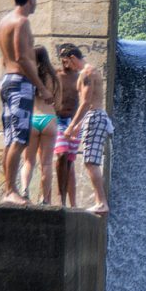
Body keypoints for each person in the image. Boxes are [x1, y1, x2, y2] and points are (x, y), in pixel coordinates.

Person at [0, 0, 55, 205]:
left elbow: (7, 58)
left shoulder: (4, 22)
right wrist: (40, 87)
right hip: (20, 84)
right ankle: (11, 191)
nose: (36, 4)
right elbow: (21, 57)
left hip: (8, 81)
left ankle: (8, 190)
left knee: (12, 139)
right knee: (19, 139)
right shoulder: (22, 22)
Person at [60, 47, 112, 215]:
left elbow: (85, 102)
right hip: (95, 116)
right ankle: (100, 202)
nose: (67, 66)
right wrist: (79, 125)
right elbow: (91, 104)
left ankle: (101, 202)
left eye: (67, 62)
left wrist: (71, 125)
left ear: (73, 57)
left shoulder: (86, 72)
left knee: (91, 162)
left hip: (95, 116)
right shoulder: (91, 71)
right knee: (90, 161)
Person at [19, 46, 60, 204]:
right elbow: (59, 103)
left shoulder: (29, 76)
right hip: (49, 119)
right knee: (47, 163)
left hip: (31, 119)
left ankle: (24, 190)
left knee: (28, 161)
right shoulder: (55, 77)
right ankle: (45, 199)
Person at [54, 43, 81, 207]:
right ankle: (61, 197)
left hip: (74, 122)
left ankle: (70, 202)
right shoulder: (55, 75)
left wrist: (79, 123)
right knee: (61, 155)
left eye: (67, 57)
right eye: (61, 56)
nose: (64, 60)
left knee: (70, 162)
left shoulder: (79, 76)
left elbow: (86, 101)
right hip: (57, 120)